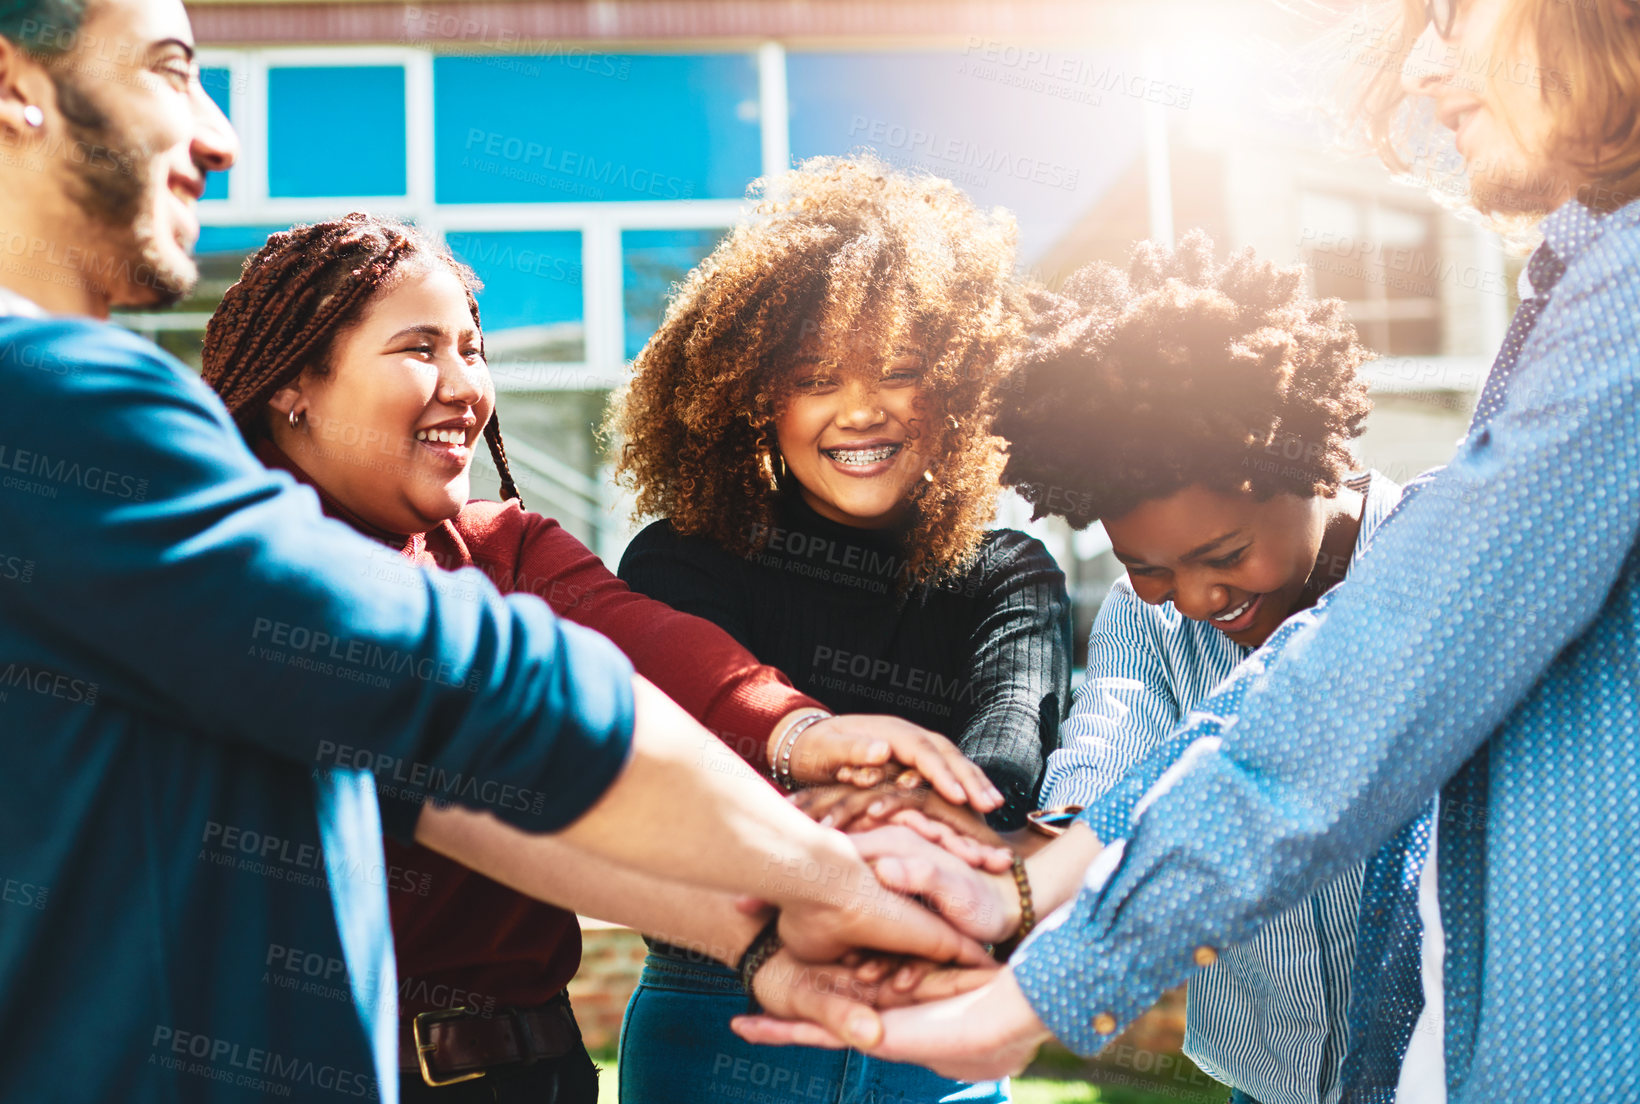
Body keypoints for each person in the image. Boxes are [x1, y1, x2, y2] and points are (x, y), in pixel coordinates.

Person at [734, 0, 1640, 1098]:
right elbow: (1306, 671)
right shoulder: (1634, 283)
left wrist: (1039, 990)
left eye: (1452, 11)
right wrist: (1027, 887)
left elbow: (1387, 666)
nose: (1423, 67)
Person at [0, 3, 988, 1099]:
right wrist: (832, 876)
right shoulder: (55, 406)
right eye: (172, 71)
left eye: (472, 347)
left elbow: (442, 794)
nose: (220, 136)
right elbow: (478, 693)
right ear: (14, 84)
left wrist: (762, 928)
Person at [195, 212, 1006, 1101]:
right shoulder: (224, 573)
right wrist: (809, 889)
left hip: (528, 1075)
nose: (465, 384)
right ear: (293, 387)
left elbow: (649, 653)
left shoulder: (504, 549)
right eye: (421, 348)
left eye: (474, 348)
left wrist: (803, 735)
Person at [611, 155, 1072, 1104]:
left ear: (956, 386)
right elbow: (690, 771)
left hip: (936, 1005)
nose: (862, 409)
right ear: (754, 394)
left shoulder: (1007, 570)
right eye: (818, 377)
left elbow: (1010, 752)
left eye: (900, 371)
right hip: (723, 1005)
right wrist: (910, 810)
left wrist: (887, 813)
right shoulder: (681, 562)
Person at [995, 232, 1404, 1104]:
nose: (1191, 598)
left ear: (1301, 464)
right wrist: (1053, 847)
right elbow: (1113, 733)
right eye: (1150, 568)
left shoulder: (1425, 567)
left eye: (1224, 554)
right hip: (1266, 1070)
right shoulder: (1147, 623)